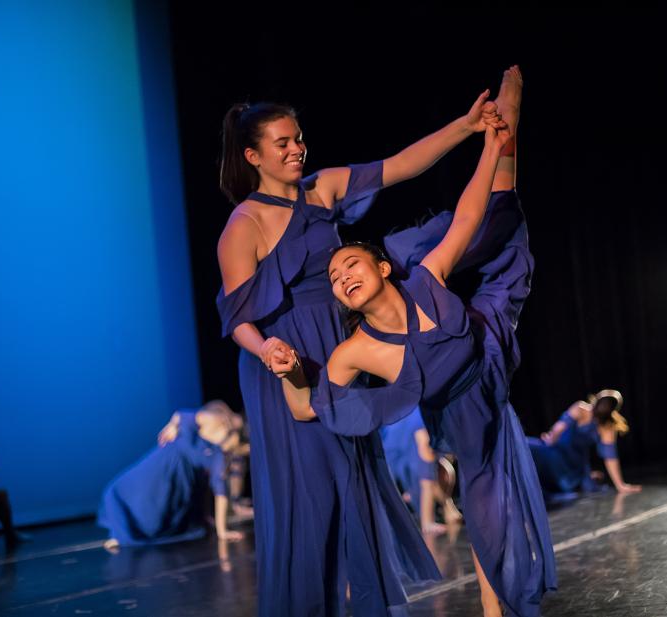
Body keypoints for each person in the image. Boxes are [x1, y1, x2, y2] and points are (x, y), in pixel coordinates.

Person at [215, 80, 505, 616]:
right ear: (253, 155)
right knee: (311, 499)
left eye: (297, 138)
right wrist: (269, 351)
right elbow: (238, 319)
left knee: (356, 484)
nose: (296, 148)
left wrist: (466, 127)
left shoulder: (321, 190)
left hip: (338, 350)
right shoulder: (244, 225)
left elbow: (401, 165)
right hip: (285, 367)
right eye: (281, 143)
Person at [277, 67, 557, 617]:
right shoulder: (354, 350)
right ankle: (493, 605)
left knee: (499, 222)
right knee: (485, 514)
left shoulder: (426, 277)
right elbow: (308, 408)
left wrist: (490, 146)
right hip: (459, 417)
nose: (342, 279)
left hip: (487, 340)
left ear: (383, 266)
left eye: (350, 264)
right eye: (334, 280)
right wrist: (288, 369)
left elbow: (468, 215)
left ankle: (509, 127)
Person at [98, 403, 244, 549]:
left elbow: (220, 491)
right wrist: (172, 426)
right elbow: (182, 416)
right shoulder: (214, 420)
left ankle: (130, 534)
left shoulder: (222, 456)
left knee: (159, 515)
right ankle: (121, 534)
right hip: (165, 461)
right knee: (119, 491)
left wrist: (222, 530)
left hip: (183, 477)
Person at [527, 390, 641, 499]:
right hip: (558, 449)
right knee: (529, 448)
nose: (604, 407)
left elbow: (610, 457)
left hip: (575, 460)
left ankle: (579, 477)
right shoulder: (581, 409)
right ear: (597, 401)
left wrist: (620, 485)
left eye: (608, 406)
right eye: (604, 403)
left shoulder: (606, 427)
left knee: (566, 480)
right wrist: (550, 439)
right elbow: (559, 428)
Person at [380, 406, 463, 534]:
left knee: (432, 475)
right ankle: (427, 521)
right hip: (397, 454)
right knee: (429, 478)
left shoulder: (417, 410)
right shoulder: (425, 416)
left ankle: (415, 499)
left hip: (391, 452)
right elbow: (427, 477)